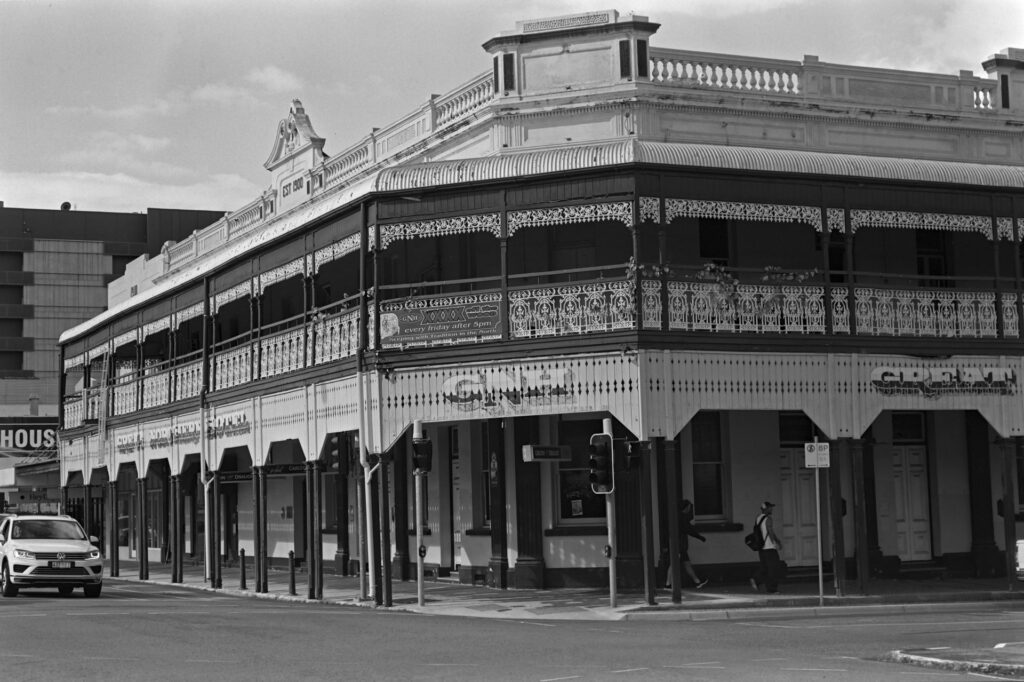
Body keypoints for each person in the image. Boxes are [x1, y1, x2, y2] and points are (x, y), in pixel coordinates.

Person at [667, 499, 709, 589]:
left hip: (679, 545)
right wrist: (700, 537)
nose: (690, 509)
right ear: (686, 508)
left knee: (686, 564)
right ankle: (668, 584)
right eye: (689, 507)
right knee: (674, 564)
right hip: (679, 546)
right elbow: (689, 530)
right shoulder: (682, 518)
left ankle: (697, 581)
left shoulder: (677, 517)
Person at [750, 501, 783, 594]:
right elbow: (770, 532)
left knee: (765, 568)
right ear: (766, 509)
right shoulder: (768, 519)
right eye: (770, 507)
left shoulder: (758, 518)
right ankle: (772, 589)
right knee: (774, 568)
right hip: (769, 547)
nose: (772, 509)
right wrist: (776, 543)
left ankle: (756, 579)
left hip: (761, 548)